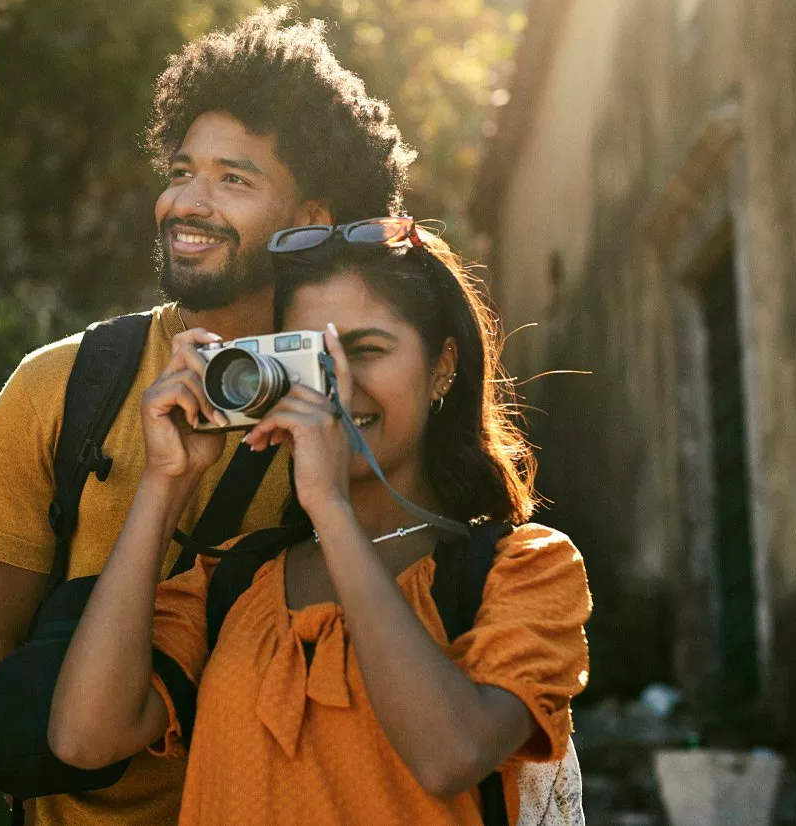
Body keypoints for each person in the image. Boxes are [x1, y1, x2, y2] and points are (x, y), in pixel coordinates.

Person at [0, 6, 415, 826]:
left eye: (234, 179)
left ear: (310, 220)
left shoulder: (364, 405)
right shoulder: (58, 386)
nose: (185, 203)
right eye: (179, 170)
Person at [47, 219, 593, 825]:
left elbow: (450, 756)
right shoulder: (232, 582)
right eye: (313, 361)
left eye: (365, 352)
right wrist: (164, 481)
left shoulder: (524, 569)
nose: (335, 389)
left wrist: (331, 511)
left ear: (442, 367)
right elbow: (84, 738)